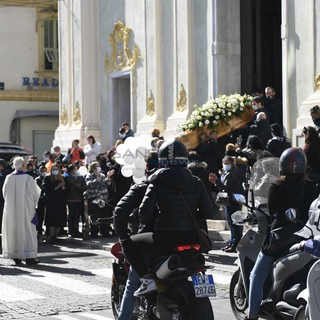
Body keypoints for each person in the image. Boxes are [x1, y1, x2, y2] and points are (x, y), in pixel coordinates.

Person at [122, 140, 217, 296]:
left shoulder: (156, 181)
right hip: (192, 237)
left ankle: (148, 280)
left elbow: (145, 213)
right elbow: (210, 212)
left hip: (165, 237)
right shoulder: (196, 182)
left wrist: (142, 217)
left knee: (128, 245)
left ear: (162, 161)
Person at [245, 148, 317, 320]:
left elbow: (273, 213)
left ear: (282, 166)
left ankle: (252, 314)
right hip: (305, 236)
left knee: (255, 275)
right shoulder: (311, 187)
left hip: (280, 240)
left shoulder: (276, 186)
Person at [113, 152, 159, 320]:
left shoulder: (143, 186)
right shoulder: (182, 184)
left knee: (133, 282)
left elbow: (120, 211)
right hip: (183, 238)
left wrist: (123, 236)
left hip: (151, 239)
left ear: (146, 167)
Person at [1, 157, 41, 265]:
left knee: (14, 231)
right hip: (26, 210)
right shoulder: (28, 178)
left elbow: (4, 193)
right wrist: (33, 204)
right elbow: (36, 193)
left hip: (11, 210)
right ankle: (29, 257)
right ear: (23, 165)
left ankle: (16, 256)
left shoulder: (8, 178)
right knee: (28, 230)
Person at [208, 156, 245, 252]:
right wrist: (216, 181)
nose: (225, 165)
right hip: (231, 201)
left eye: (227, 163)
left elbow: (226, 188)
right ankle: (233, 242)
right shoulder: (229, 173)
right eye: (224, 162)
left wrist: (216, 181)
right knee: (232, 223)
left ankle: (235, 244)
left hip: (233, 201)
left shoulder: (232, 174)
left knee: (234, 223)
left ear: (232, 164)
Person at [85, 161, 115, 237]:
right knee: (95, 216)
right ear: (93, 169)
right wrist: (97, 180)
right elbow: (89, 185)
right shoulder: (89, 176)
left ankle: (105, 232)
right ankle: (94, 233)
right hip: (94, 199)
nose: (98, 168)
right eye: (96, 167)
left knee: (105, 215)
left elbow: (106, 184)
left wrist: (108, 177)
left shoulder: (102, 175)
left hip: (104, 199)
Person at [42, 164, 67, 244]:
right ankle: (52, 236)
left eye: (56, 169)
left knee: (60, 219)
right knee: (52, 220)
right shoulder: (48, 178)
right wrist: (56, 187)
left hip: (60, 202)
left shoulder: (62, 178)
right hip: (51, 201)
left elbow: (66, 191)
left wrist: (63, 188)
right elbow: (46, 189)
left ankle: (56, 235)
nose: (55, 171)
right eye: (53, 169)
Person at [64, 164, 87, 237]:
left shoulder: (80, 177)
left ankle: (76, 230)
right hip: (70, 198)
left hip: (78, 198)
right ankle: (71, 231)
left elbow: (84, 187)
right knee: (71, 215)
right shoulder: (67, 177)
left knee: (77, 215)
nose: (76, 170)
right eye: (75, 169)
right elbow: (67, 188)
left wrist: (80, 187)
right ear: (71, 170)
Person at [35, 165, 48, 238]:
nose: (44, 172)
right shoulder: (38, 179)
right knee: (40, 215)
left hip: (46, 200)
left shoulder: (48, 178)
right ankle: (39, 229)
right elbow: (37, 189)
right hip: (39, 200)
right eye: (42, 171)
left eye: (45, 171)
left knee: (45, 215)